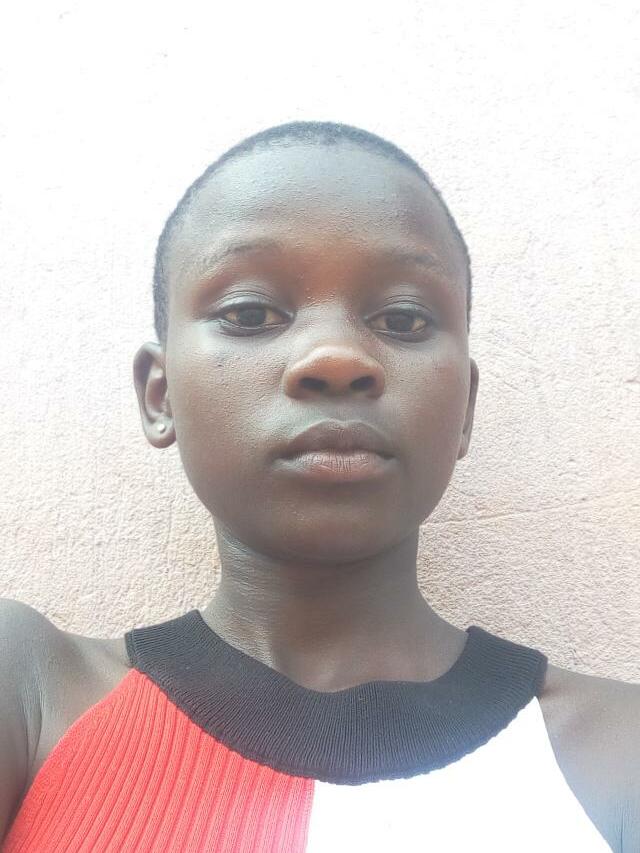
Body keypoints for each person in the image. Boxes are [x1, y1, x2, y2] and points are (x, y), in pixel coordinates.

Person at [1, 120, 638, 852]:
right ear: (160, 393)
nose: (335, 357)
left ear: (463, 408)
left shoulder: (621, 748)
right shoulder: (31, 689)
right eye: (249, 314)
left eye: (403, 318)